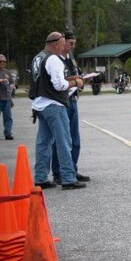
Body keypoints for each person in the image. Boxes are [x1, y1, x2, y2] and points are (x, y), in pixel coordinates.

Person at [29, 31, 86, 189]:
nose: (63, 48)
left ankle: (40, 178)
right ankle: (68, 178)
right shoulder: (53, 58)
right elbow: (59, 85)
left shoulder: (38, 57)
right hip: (54, 105)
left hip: (40, 104)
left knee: (44, 143)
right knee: (64, 142)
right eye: (62, 45)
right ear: (55, 44)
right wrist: (76, 83)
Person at [51, 31, 90, 184]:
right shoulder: (55, 60)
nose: (73, 46)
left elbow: (76, 74)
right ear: (62, 43)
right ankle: (58, 173)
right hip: (61, 102)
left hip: (73, 100)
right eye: (70, 43)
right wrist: (75, 80)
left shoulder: (71, 59)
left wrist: (82, 79)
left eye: (74, 43)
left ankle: (72, 169)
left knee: (75, 139)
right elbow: (59, 80)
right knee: (60, 139)